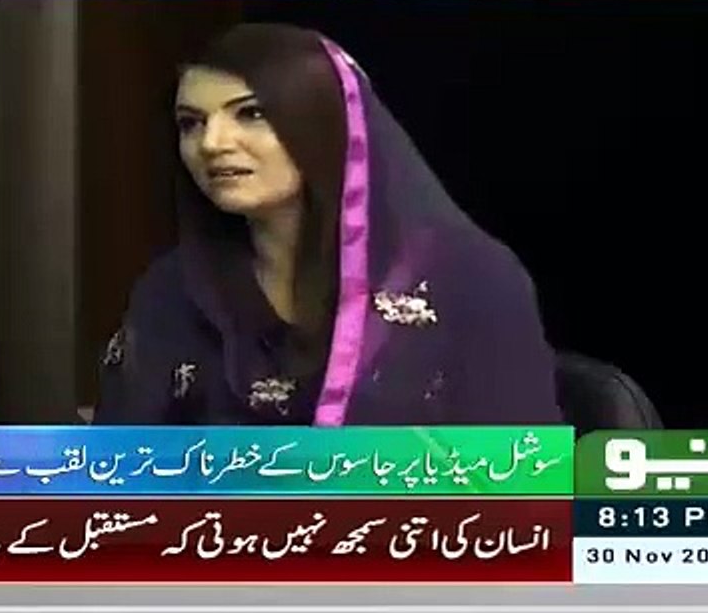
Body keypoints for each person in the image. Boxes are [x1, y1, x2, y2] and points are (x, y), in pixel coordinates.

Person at [94, 23, 562, 426]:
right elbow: (116, 471)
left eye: (251, 113)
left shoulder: (469, 278)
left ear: (323, 123)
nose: (212, 142)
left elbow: (523, 479)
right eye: (190, 123)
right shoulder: (172, 289)